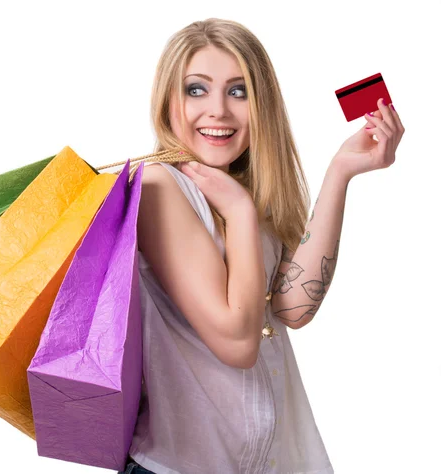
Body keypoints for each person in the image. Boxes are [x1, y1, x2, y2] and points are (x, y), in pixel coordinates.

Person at [115, 18, 404, 474]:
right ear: (167, 99)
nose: (219, 111)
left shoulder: (240, 188)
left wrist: (340, 172)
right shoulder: (160, 188)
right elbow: (238, 342)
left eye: (238, 91)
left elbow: (291, 308)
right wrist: (241, 214)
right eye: (196, 90)